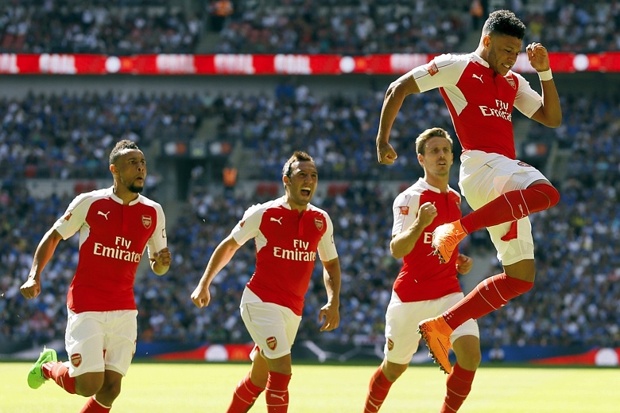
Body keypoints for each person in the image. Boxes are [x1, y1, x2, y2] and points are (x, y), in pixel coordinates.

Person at [375, 9, 562, 374]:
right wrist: (383, 139)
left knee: (521, 277)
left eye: (516, 53)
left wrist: (544, 72)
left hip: (503, 183)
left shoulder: (512, 82)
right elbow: (398, 88)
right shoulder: (456, 66)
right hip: (481, 167)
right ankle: (457, 229)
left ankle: (442, 325)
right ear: (487, 40)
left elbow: (552, 118)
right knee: (547, 192)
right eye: (507, 50)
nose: (511, 59)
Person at [20, 139, 172, 412]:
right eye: (132, 163)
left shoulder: (154, 211)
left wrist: (162, 263)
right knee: (88, 384)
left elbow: (158, 267)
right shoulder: (89, 202)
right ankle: (48, 367)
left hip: (124, 309)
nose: (140, 168)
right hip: (86, 304)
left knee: (111, 388)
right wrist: (34, 275)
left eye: (142, 163)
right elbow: (54, 236)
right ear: (114, 170)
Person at [190, 150, 341, 413]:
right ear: (286, 180)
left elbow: (330, 264)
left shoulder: (321, 220)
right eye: (302, 175)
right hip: (260, 302)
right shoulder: (264, 213)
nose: (309, 180)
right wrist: (204, 283)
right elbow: (229, 246)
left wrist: (333, 300)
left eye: (313, 176)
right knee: (282, 372)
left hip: (293, 310)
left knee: (258, 379)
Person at [364, 127, 480, 413]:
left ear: (453, 157)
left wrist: (456, 260)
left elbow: (441, 244)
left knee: (470, 355)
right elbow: (397, 249)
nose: (440, 156)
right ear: (421, 159)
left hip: (449, 294)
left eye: (445, 151)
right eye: (434, 151)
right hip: (410, 298)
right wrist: (419, 224)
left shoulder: (455, 199)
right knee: (393, 369)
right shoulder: (409, 198)